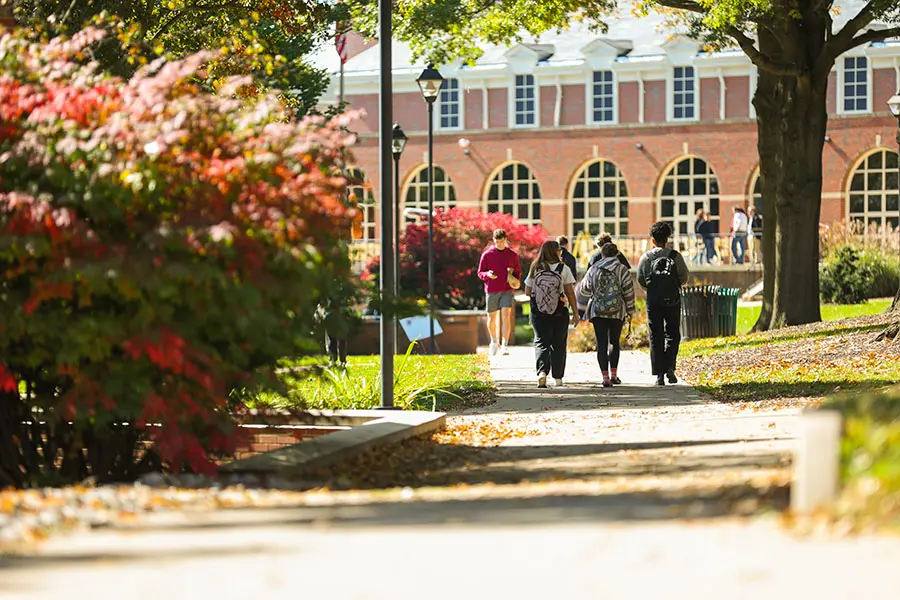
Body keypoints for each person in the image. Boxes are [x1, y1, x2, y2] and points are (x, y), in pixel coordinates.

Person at [637, 222, 689, 386]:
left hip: (653, 300)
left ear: (652, 240)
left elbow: (640, 279)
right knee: (673, 334)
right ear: (667, 239)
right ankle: (670, 368)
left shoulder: (646, 258)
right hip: (672, 299)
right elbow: (684, 277)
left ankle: (659, 374)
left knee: (655, 335)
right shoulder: (675, 256)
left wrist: (651, 289)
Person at [524, 240, 580, 388]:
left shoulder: (535, 267)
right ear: (556, 252)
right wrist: (575, 313)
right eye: (559, 250)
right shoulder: (563, 268)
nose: (561, 252)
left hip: (538, 312)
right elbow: (570, 292)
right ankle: (558, 378)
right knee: (558, 343)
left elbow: (527, 291)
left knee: (541, 341)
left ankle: (542, 372)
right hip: (559, 312)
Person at [581, 242, 635, 387]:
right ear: (616, 254)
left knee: (601, 343)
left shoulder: (594, 268)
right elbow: (629, 291)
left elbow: (584, 290)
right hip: (618, 311)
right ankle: (614, 376)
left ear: (602, 254)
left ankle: (604, 377)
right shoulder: (622, 269)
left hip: (598, 311)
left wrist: (595, 292)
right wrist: (630, 311)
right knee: (614, 343)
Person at [477, 229, 522, 356]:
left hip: (507, 289)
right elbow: (480, 272)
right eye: (497, 242)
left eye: (502, 241)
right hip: (491, 290)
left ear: (505, 240)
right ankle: (494, 341)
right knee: (492, 318)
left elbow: (518, 272)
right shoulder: (487, 254)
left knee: (506, 316)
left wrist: (516, 280)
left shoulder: (512, 254)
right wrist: (488, 274)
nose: (500, 244)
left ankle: (504, 345)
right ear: (494, 240)